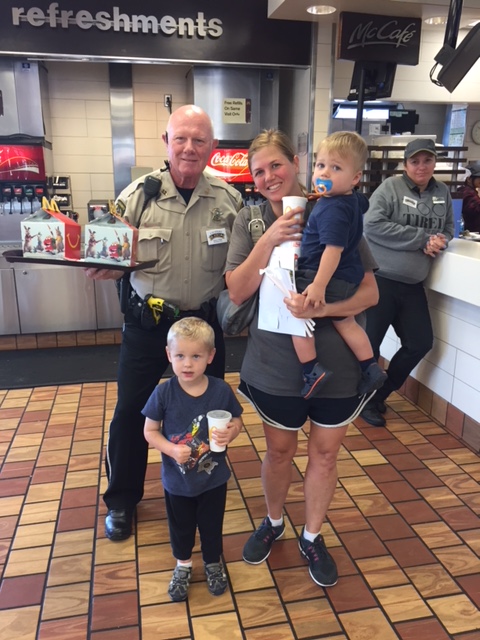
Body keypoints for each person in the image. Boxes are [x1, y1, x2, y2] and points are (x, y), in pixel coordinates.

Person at [224, 129, 379, 588]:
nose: (269, 177)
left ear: (295, 162)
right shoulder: (250, 220)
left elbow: (370, 292)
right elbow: (237, 291)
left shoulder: (333, 206)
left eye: (276, 165)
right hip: (275, 366)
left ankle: (312, 535)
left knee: (325, 456)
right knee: (278, 451)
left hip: (336, 368)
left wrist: (321, 308)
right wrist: (269, 239)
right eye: (258, 172)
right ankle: (273, 522)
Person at [85, 105, 243, 541]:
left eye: (199, 140)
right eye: (181, 138)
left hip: (203, 328)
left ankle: (204, 480)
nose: (189, 148)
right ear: (166, 142)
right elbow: (109, 254)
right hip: (149, 324)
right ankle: (121, 500)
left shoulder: (228, 200)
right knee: (130, 412)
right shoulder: (138, 196)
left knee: (209, 410)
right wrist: (104, 267)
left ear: (212, 146)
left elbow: (242, 262)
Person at [143, 317, 243, 602]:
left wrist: (232, 432)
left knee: (212, 525)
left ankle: (213, 562)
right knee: (181, 528)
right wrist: (171, 450)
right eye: (180, 356)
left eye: (196, 356)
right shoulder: (163, 393)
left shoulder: (220, 390)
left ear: (211, 356)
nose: (187, 364)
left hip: (214, 478)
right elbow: (149, 431)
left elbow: (236, 420)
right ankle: (183, 565)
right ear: (169, 355)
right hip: (177, 481)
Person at [360, 138, 454, 427]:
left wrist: (441, 239)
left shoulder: (442, 192)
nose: (421, 166)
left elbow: (449, 227)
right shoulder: (390, 188)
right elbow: (372, 225)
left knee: (420, 342)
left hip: (413, 285)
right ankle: (362, 401)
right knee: (369, 347)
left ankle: (379, 395)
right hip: (381, 281)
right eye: (415, 161)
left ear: (435, 162)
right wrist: (422, 239)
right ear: (405, 164)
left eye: (427, 160)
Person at [293, 131, 386, 399]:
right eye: (320, 165)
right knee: (345, 321)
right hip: (347, 277)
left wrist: (318, 286)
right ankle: (370, 367)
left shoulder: (332, 209)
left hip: (323, 275)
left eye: (336, 168)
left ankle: (311, 370)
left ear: (355, 178)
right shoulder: (350, 200)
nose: (324, 173)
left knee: (296, 316)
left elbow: (332, 251)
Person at [459, 161, 480, 232]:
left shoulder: (470, 191)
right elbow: (476, 208)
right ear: (468, 179)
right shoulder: (466, 192)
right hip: (471, 232)